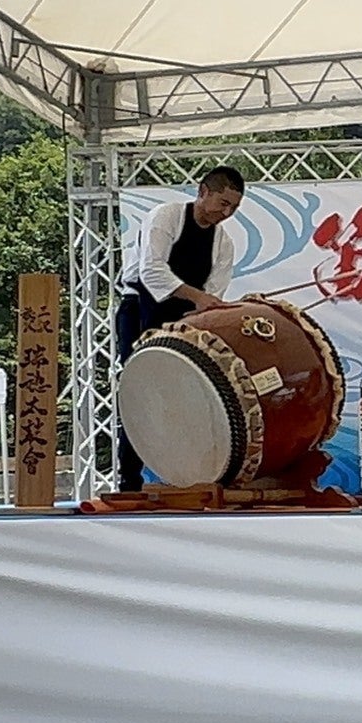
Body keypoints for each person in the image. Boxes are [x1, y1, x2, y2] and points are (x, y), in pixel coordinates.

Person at [114, 166, 246, 491]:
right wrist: (199, 298)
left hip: (184, 320)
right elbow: (152, 271)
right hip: (141, 309)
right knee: (140, 394)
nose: (225, 213)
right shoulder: (166, 217)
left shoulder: (223, 243)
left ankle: (187, 478)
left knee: (188, 395)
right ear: (203, 191)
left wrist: (205, 307)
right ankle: (129, 481)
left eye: (233, 208)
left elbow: (212, 295)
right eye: (223, 203)